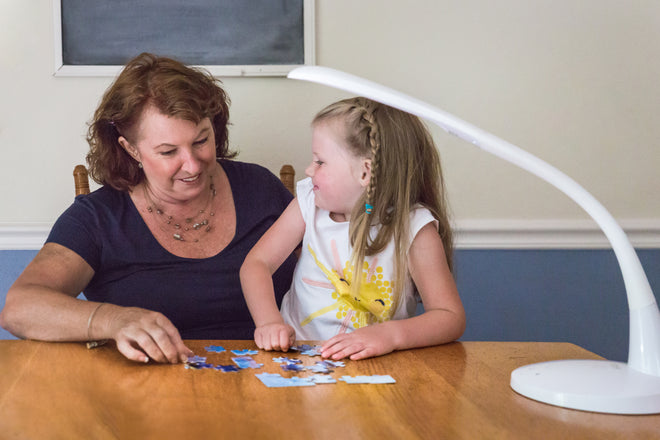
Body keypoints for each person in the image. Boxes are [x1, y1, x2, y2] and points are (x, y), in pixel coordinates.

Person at [0, 53, 296, 364]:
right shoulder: (99, 218)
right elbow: (20, 308)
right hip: (144, 394)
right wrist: (114, 320)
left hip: (271, 380)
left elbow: (336, 265)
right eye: (168, 151)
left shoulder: (260, 188)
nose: (193, 165)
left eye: (201, 141)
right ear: (130, 149)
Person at [240, 97, 465, 361]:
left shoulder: (414, 230)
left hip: (378, 371)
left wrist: (389, 336)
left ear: (365, 172)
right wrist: (269, 322)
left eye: (320, 162)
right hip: (299, 364)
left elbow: (450, 317)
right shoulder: (308, 203)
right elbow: (256, 264)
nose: (309, 169)